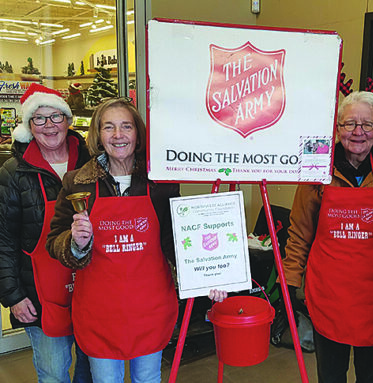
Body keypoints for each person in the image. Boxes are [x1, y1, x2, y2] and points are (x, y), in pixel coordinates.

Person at [46, 97, 225, 383]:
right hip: (99, 312)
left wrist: (209, 276)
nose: (118, 135)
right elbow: (54, 241)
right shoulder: (76, 183)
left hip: (150, 308)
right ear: (98, 134)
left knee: (148, 379)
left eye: (126, 127)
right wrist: (75, 243)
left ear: (138, 133)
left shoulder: (160, 182)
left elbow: (176, 241)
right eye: (109, 127)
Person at [282, 91, 373, 383]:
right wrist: (291, 281)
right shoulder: (317, 168)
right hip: (328, 296)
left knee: (372, 376)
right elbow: (299, 230)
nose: (358, 132)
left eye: (367, 124)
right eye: (350, 124)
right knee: (331, 375)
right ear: (338, 129)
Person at [0, 83, 92, 382]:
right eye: (39, 119)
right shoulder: (13, 173)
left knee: (91, 369)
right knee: (53, 373)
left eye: (56, 116)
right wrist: (12, 294)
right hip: (40, 292)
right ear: (28, 126)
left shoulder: (92, 163)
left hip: (93, 287)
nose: (49, 125)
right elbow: (4, 240)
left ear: (68, 120)